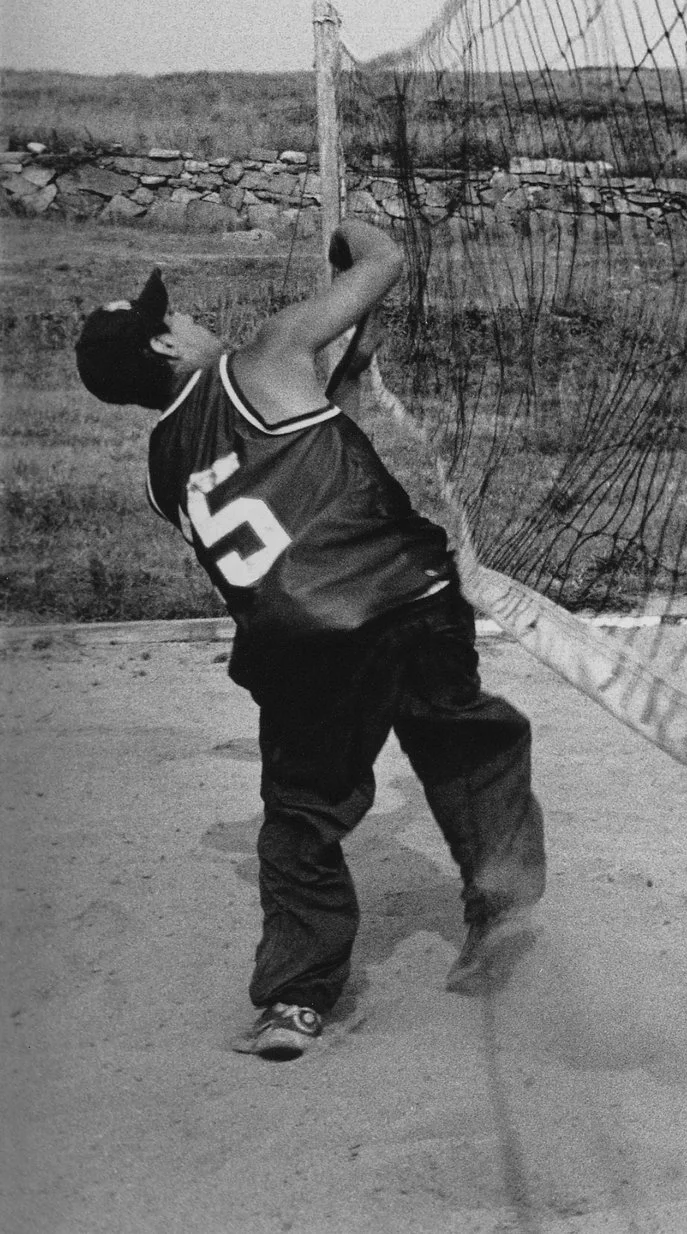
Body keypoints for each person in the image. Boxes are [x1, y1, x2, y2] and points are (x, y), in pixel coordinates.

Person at [73, 225, 547, 1063]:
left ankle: (294, 1001)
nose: (189, 315)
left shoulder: (161, 463)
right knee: (472, 744)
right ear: (164, 345)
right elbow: (385, 260)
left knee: (300, 823)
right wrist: (351, 227)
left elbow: (296, 441)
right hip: (405, 600)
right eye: (172, 316)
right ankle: (501, 906)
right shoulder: (266, 353)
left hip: (300, 649)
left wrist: (344, 373)